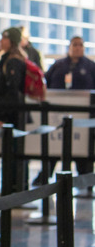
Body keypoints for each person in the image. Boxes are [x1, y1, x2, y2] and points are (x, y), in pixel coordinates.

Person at [38, 36, 95, 181]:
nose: (77, 48)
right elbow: (46, 83)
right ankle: (45, 176)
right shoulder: (58, 65)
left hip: (83, 118)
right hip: (58, 115)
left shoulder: (90, 66)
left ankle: (85, 179)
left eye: (80, 45)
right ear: (69, 47)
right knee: (54, 148)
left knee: (82, 149)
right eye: (75, 45)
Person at [0, 27, 28, 192]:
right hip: (11, 115)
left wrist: (3, 116)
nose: (1, 41)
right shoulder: (7, 59)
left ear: (12, 41)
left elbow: (12, 92)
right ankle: (12, 187)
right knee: (10, 152)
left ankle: (14, 188)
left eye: (4, 38)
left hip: (12, 117)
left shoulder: (13, 61)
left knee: (13, 152)